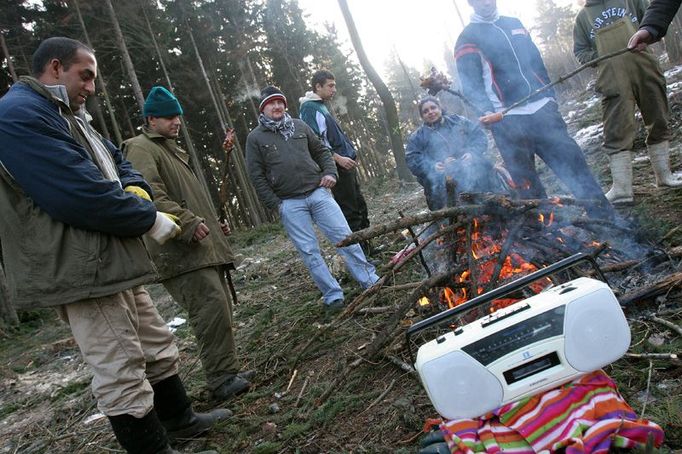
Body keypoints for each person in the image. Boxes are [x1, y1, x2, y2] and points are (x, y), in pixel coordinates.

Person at [0, 37, 227, 454]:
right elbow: (73, 191)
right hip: (77, 264)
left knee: (155, 341)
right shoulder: (19, 115)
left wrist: (136, 189)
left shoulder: (68, 115)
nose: (91, 87)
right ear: (55, 68)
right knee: (118, 363)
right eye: (85, 75)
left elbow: (117, 161)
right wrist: (148, 217)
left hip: (108, 252)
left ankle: (180, 420)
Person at [123, 86, 253, 403]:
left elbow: (186, 198)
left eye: (177, 115)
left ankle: (228, 371)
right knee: (209, 309)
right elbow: (149, 194)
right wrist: (189, 224)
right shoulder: (140, 148)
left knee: (218, 308)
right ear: (150, 119)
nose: (176, 121)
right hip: (176, 250)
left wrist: (211, 224)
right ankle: (221, 380)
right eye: (168, 116)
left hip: (197, 248)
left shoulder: (170, 149)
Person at [455, 0, 613, 218]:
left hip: (543, 112)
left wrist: (550, 98)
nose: (486, 2)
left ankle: (605, 217)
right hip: (507, 119)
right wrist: (487, 113)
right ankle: (544, 232)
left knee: (574, 165)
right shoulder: (467, 37)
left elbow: (536, 61)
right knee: (527, 183)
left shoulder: (514, 23)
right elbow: (470, 84)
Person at [246, 86, 379, 311]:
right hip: (289, 203)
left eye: (280, 102)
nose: (277, 106)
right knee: (309, 250)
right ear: (263, 109)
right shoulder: (255, 138)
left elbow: (321, 151)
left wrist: (330, 173)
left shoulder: (299, 126)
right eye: (271, 103)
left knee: (344, 236)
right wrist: (277, 205)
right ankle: (333, 295)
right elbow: (256, 175)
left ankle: (369, 280)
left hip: (318, 193)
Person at [574, 0, 682, 204]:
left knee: (658, 117)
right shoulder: (582, 18)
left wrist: (648, 35)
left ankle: (664, 176)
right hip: (611, 77)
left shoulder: (630, 0)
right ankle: (622, 189)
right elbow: (580, 51)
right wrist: (599, 56)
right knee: (616, 129)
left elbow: (653, 21)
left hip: (644, 67)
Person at [299, 70, 370, 236]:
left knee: (359, 204)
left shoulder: (320, 105)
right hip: (337, 166)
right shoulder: (309, 108)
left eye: (334, 85)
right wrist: (338, 158)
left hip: (346, 164)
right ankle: (363, 253)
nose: (334, 89)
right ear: (318, 86)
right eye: (330, 86)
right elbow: (314, 142)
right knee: (350, 210)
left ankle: (369, 244)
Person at [405, 96, 503, 210]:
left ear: (440, 108)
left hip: (470, 167)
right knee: (435, 184)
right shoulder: (417, 137)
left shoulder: (458, 121)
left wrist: (472, 153)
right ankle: (449, 219)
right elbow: (411, 159)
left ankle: (497, 204)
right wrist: (433, 166)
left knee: (484, 165)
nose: (430, 112)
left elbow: (479, 136)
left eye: (433, 108)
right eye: (425, 111)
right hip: (441, 178)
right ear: (422, 116)